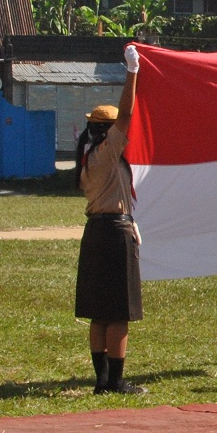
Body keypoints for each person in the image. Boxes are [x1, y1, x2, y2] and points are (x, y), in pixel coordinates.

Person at [73, 45, 145, 393]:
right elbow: (127, 114)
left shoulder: (88, 158)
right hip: (115, 234)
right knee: (118, 312)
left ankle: (102, 380)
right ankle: (116, 381)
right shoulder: (107, 152)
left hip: (96, 232)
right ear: (107, 130)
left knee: (99, 313)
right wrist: (132, 72)